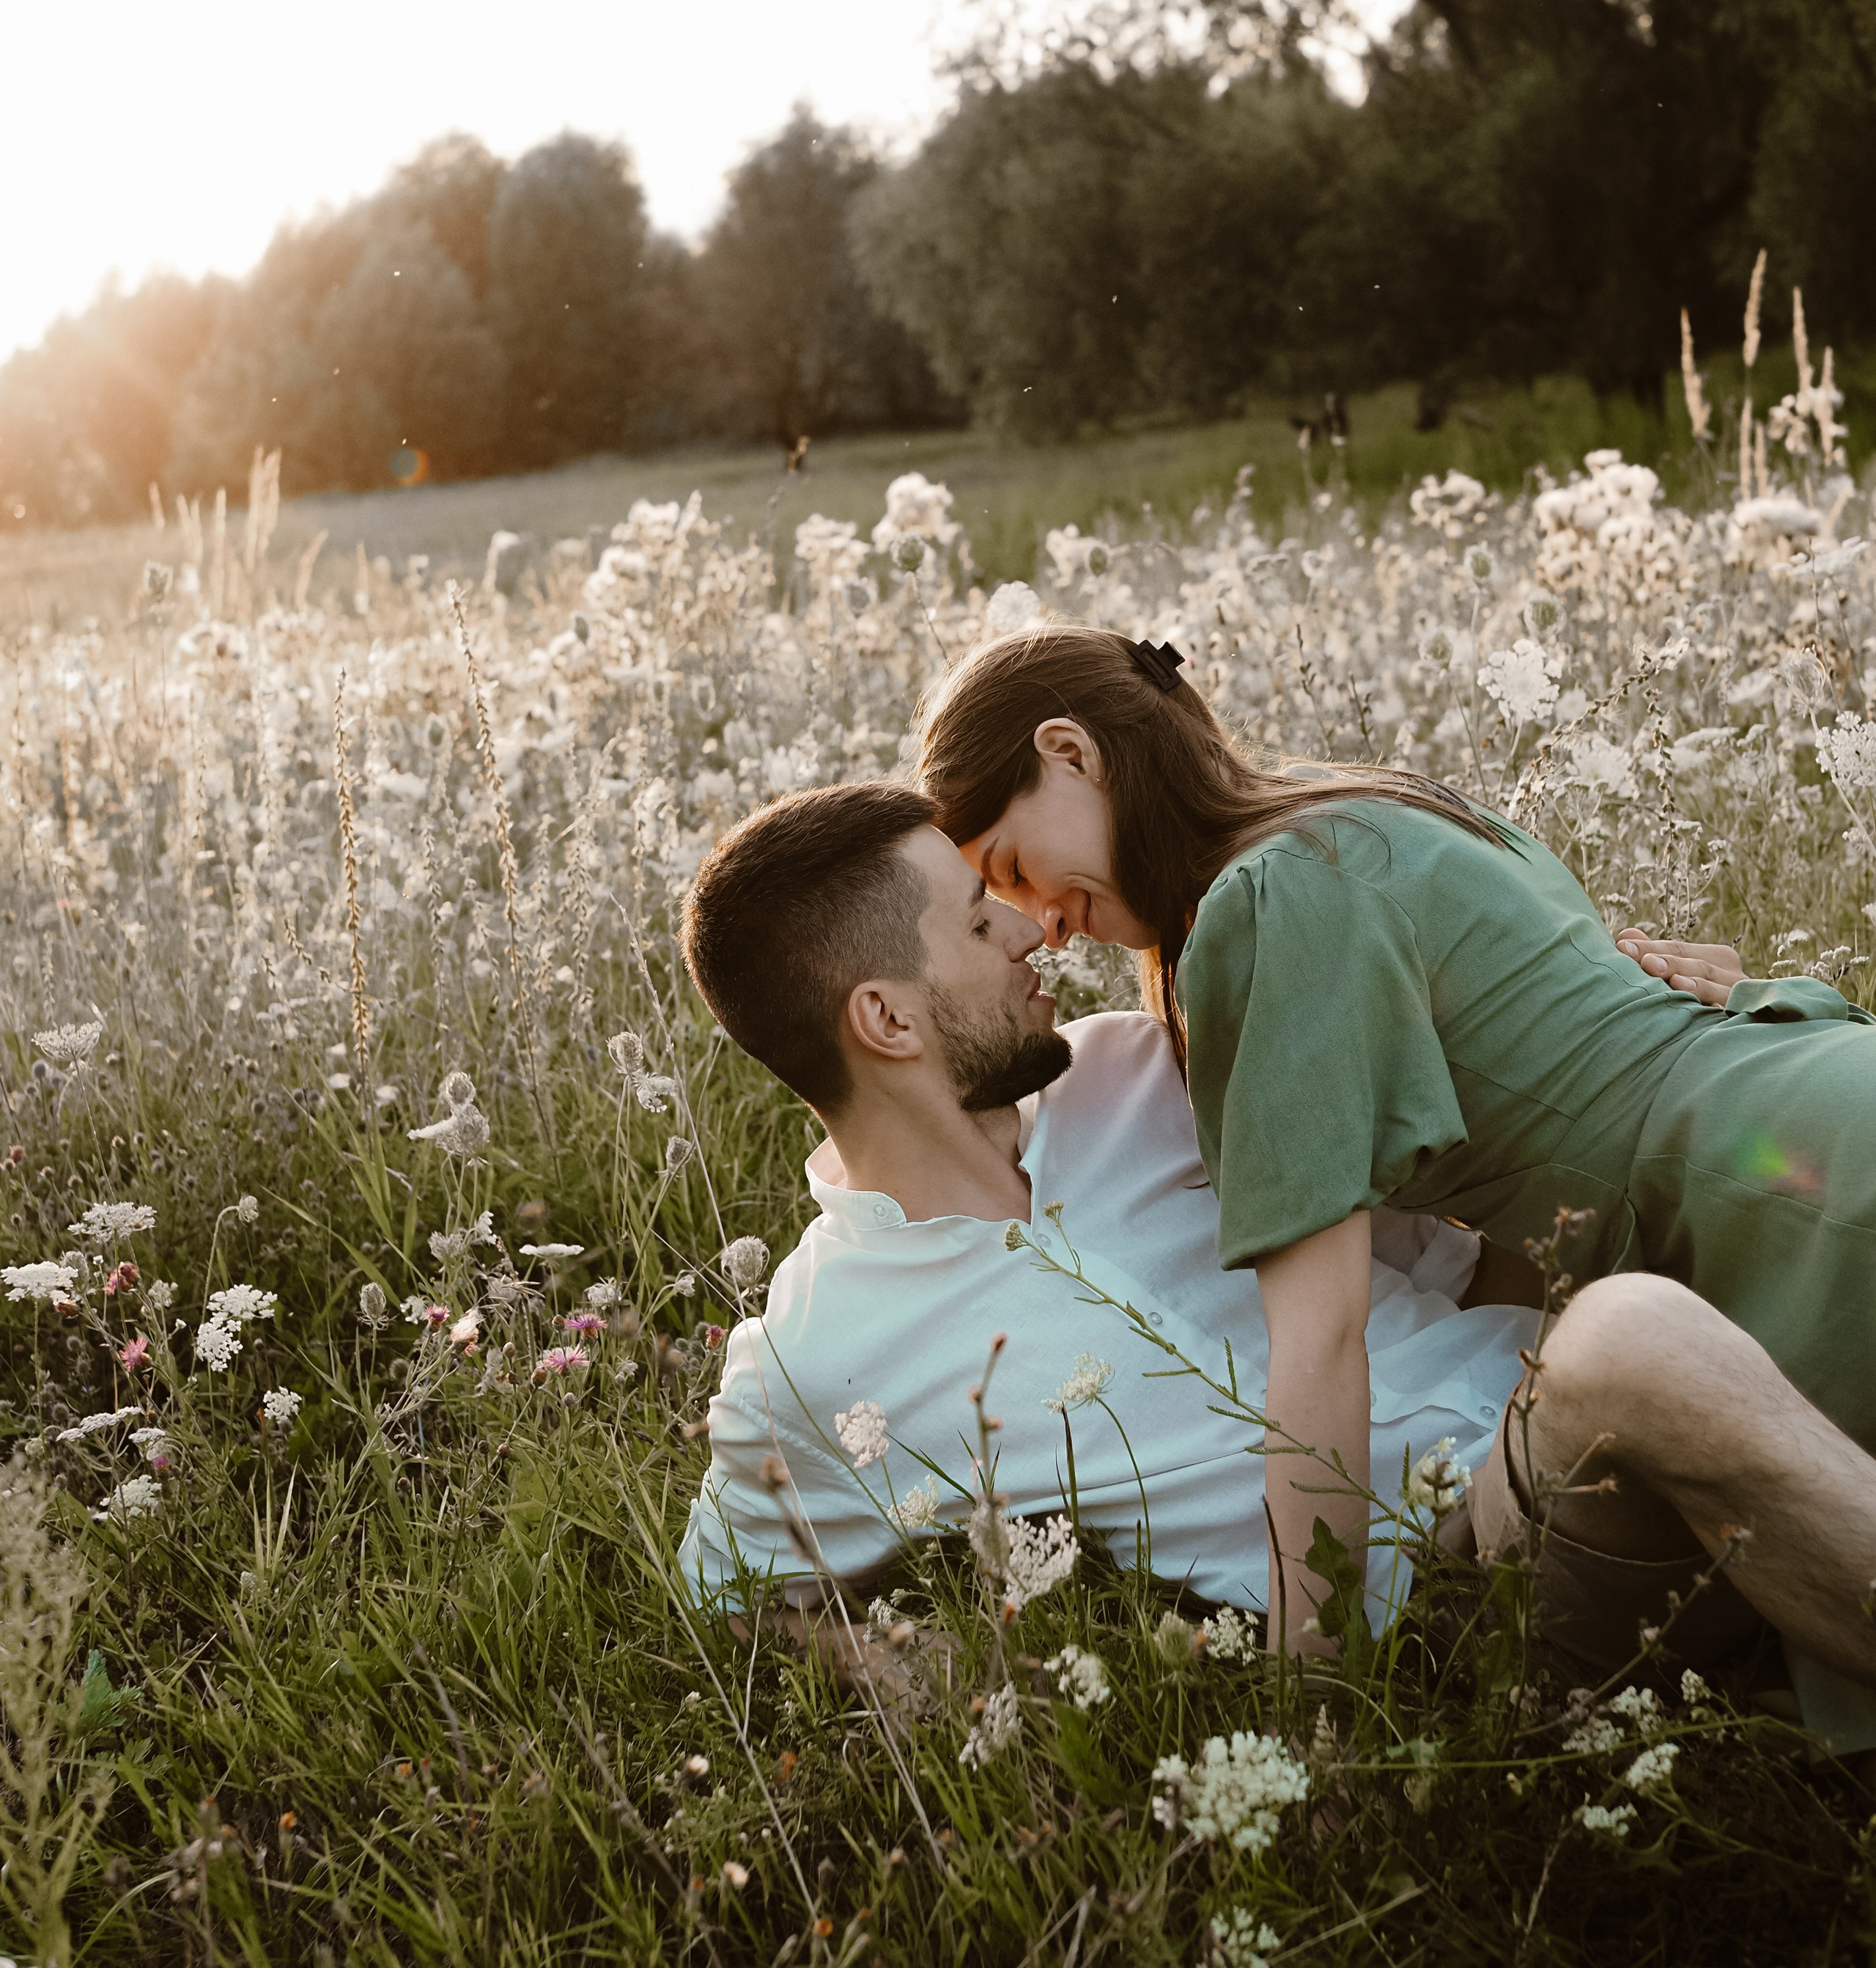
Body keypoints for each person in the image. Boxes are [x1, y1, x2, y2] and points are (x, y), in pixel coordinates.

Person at [675, 779, 1876, 1736]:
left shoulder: (1150, 1070)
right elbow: (717, 1581)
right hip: (1456, 1586)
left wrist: (1635, 1001)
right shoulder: (815, 1360)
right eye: (979, 919)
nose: (1032, 925)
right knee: (1633, 1342)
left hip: (1561, 1425)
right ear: (885, 1019)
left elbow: (1474, 1241)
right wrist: (873, 1659)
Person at [914, 625, 1876, 1670]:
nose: (1044, 927)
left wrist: (1312, 1696)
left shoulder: (1263, 905)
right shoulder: (1363, 805)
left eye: (1016, 868)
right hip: (1805, 1104)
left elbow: (1321, 1346)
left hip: (1770, 1199)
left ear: (1072, 751)